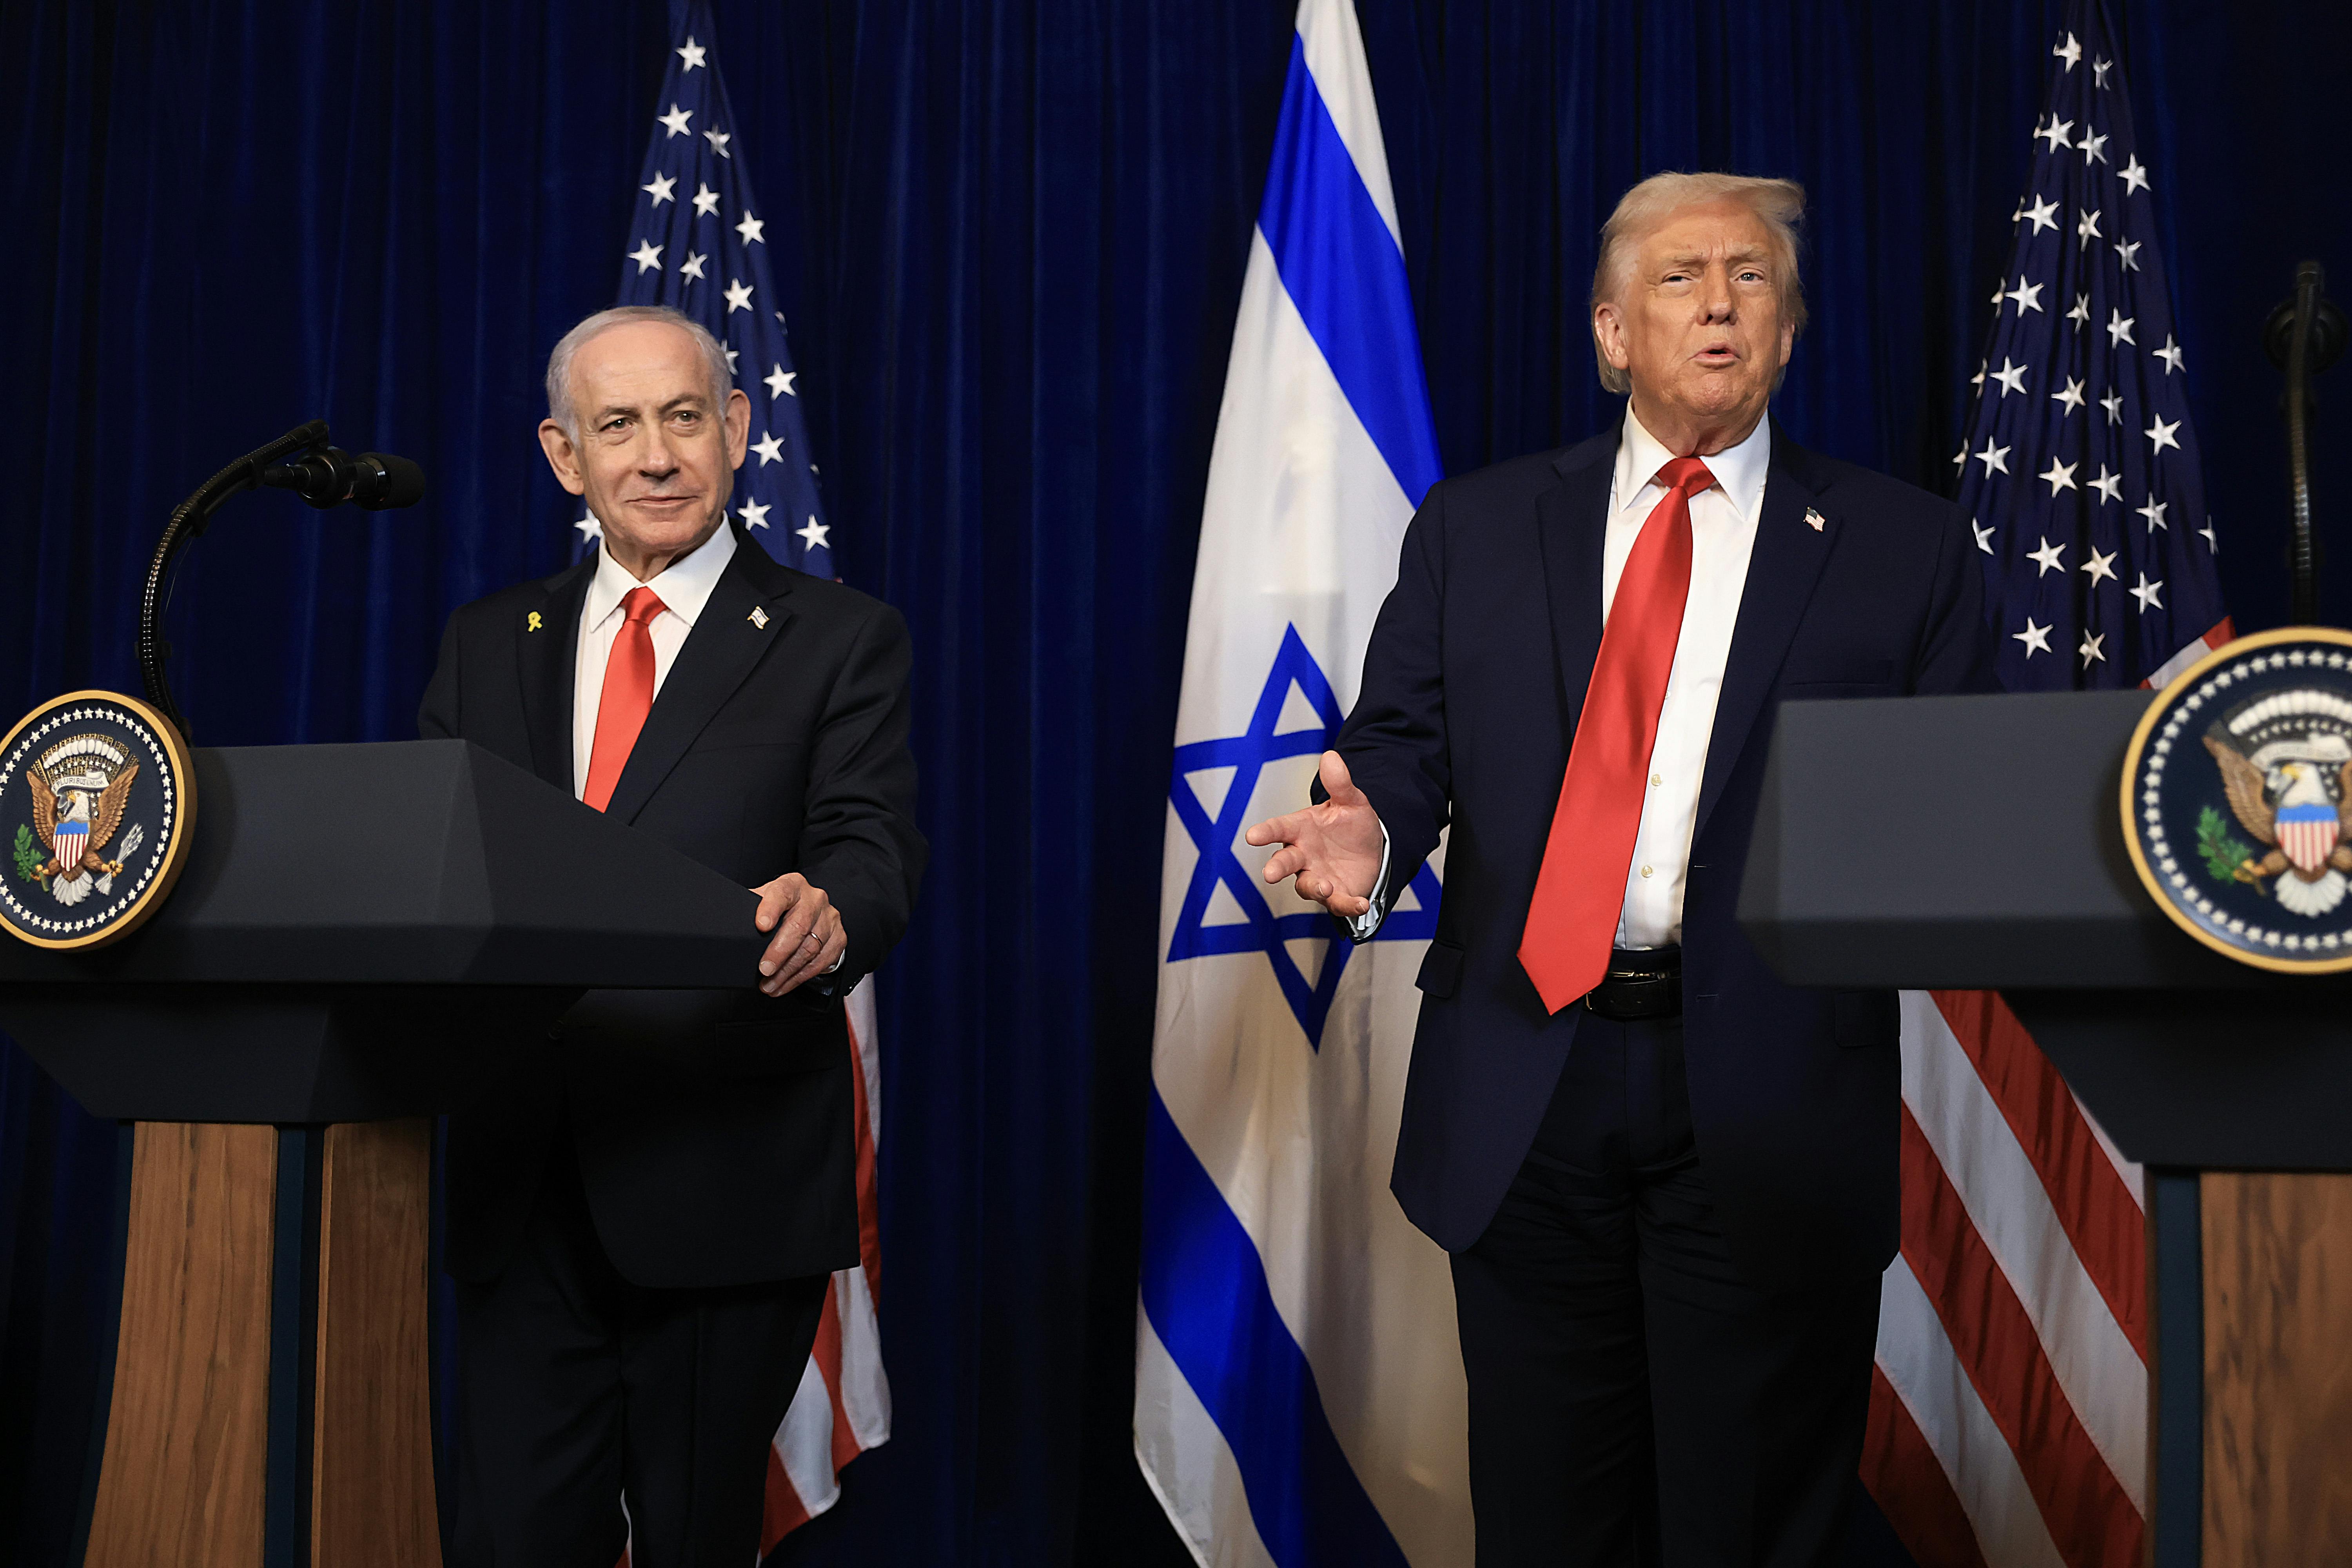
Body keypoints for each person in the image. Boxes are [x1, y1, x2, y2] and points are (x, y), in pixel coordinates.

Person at [1247, 172, 1994, 1564]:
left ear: (1791, 324)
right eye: (1679, 276)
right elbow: (1404, 744)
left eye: (1751, 277)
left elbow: (1952, 807)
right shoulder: (1476, 527)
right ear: (1609, 332)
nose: (1718, 302)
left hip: (1771, 1096)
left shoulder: (1908, 549)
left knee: (1755, 1523)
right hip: (1530, 1076)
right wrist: (1376, 829)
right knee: (1548, 1520)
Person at [419, 304, 924, 1567]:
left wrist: (833, 909)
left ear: (737, 429)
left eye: (685, 417)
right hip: (521, 1182)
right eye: (619, 424)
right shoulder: (489, 643)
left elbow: (872, 851)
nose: (656, 455)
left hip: (725, 1170)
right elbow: (435, 868)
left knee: (699, 1546)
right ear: (563, 454)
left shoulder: (836, 637)